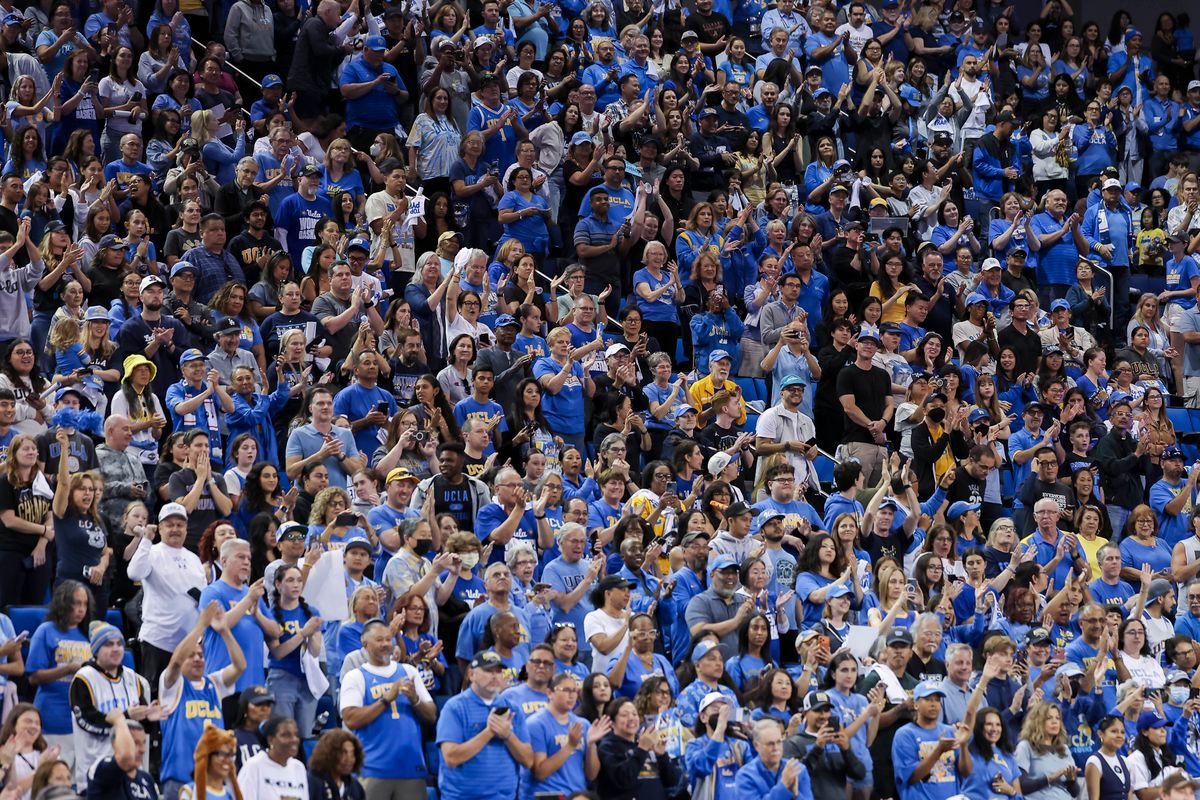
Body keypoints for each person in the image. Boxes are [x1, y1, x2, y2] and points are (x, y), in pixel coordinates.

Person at [339, 617, 436, 800]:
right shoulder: (356, 676)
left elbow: (431, 715)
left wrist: (415, 700)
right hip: (372, 769)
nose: (385, 644)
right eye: (379, 640)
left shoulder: (409, 671)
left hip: (411, 768)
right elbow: (350, 719)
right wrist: (386, 699)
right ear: (365, 644)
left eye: (388, 639)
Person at [435, 650, 533, 800]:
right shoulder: (454, 707)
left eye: (498, 671)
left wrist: (508, 736)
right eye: (488, 671)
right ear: (471, 674)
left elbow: (528, 760)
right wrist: (489, 732)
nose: (494, 676)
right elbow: (451, 758)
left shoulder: (513, 708)